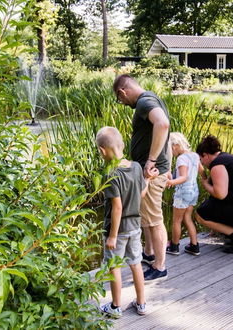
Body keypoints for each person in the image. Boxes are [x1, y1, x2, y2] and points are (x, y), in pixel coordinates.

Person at [96, 126, 158, 318]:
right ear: (122, 145)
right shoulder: (137, 167)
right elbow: (140, 195)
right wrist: (147, 180)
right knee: (136, 264)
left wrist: (112, 236)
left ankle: (115, 307)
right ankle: (141, 304)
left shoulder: (111, 174)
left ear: (102, 151)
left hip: (119, 230)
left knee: (114, 266)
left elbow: (117, 208)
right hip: (134, 227)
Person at [113, 74, 170, 281]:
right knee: (148, 215)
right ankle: (150, 254)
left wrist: (152, 161)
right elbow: (166, 132)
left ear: (122, 92)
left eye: (120, 99)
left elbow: (163, 125)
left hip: (152, 172)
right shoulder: (150, 98)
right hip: (153, 171)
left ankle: (160, 266)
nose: (122, 103)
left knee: (154, 220)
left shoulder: (144, 102)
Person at [165, 132, 202, 256]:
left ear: (175, 145)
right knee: (187, 218)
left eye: (170, 149)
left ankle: (174, 246)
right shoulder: (195, 156)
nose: (170, 153)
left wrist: (169, 182)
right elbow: (202, 172)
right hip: (194, 191)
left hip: (183, 193)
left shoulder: (181, 158)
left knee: (176, 221)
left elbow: (183, 177)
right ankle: (194, 246)